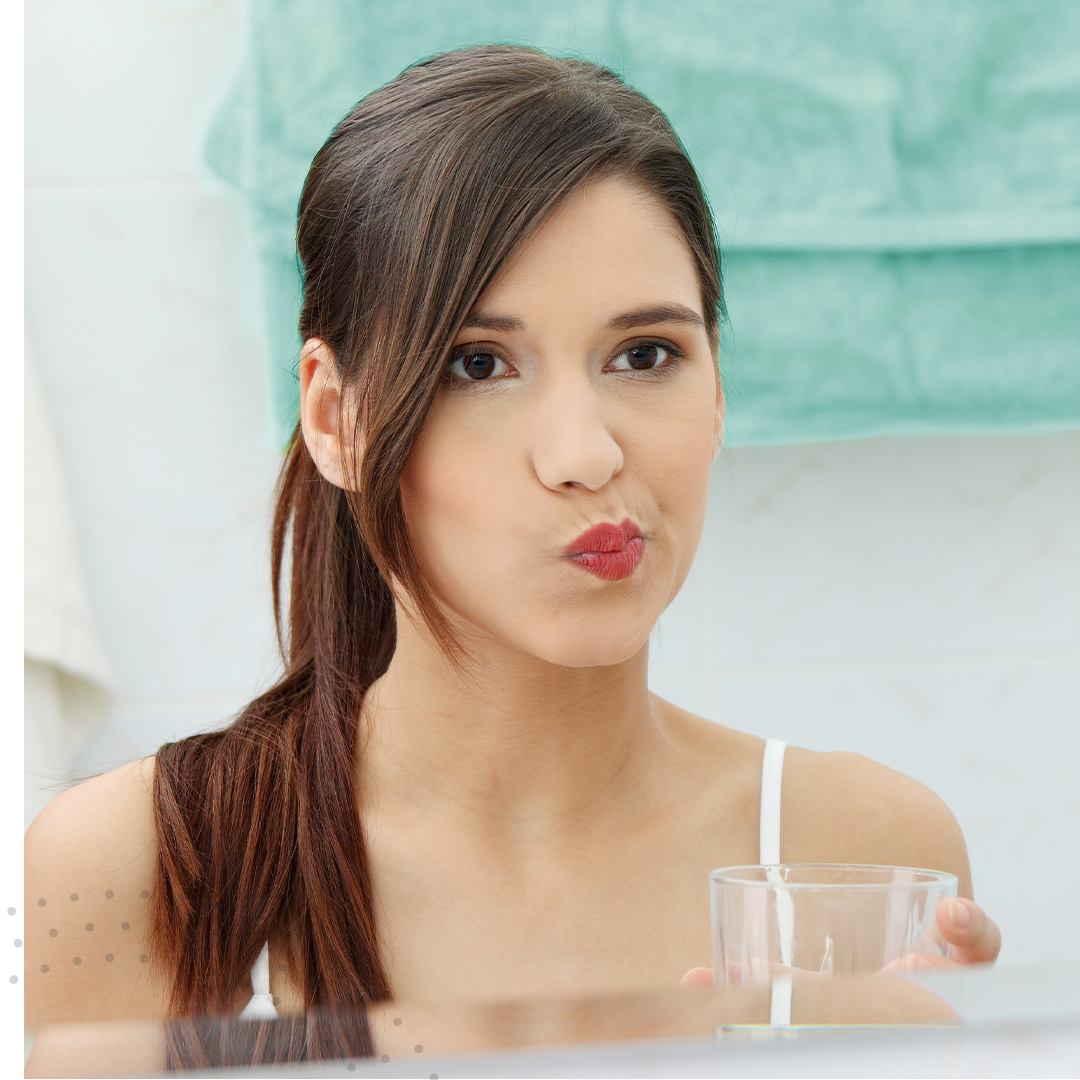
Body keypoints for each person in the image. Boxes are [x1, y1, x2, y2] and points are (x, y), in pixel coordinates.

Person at [25, 44, 1000, 1041]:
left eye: (645, 354)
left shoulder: (857, 855)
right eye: (478, 364)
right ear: (335, 419)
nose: (585, 454)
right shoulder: (142, 868)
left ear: (715, 393)